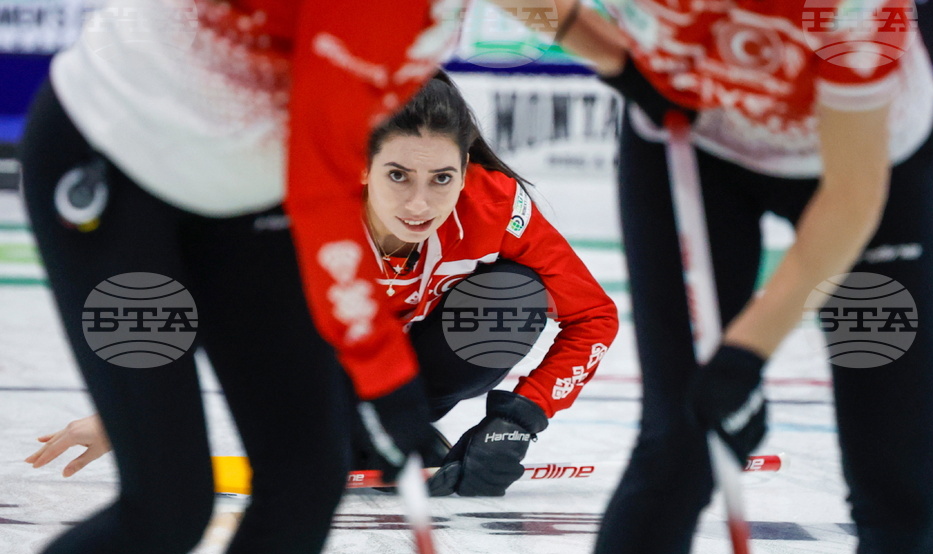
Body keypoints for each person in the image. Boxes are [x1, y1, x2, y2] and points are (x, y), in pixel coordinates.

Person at [1, 2, 495, 554]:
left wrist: (630, 67)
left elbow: (553, 14)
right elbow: (325, 184)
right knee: (164, 516)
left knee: (305, 484)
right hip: (120, 160)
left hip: (248, 182)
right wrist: (382, 368)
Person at [547, 1, 933, 554]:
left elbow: (851, 195)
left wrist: (745, 355)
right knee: (681, 438)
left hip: (864, 161)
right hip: (688, 134)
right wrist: (613, 58)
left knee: (896, 460)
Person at [25, 74, 619, 498]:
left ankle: (399, 423)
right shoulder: (303, 205)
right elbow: (206, 300)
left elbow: (595, 316)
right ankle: (347, 425)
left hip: (414, 372)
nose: (420, 203)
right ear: (362, 166)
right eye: (397, 175)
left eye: (443, 178)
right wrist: (129, 413)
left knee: (511, 297)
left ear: (467, 172)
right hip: (318, 363)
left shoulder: (497, 205)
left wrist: (519, 417)